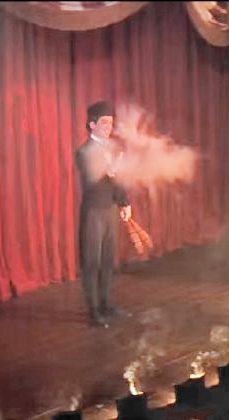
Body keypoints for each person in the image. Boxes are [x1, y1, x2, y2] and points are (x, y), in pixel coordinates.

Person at [75, 101, 132, 328]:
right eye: (105, 122)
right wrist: (109, 170)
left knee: (108, 261)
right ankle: (93, 311)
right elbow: (91, 181)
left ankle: (107, 304)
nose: (109, 127)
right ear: (92, 125)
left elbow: (118, 180)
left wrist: (124, 203)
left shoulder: (112, 150)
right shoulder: (83, 152)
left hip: (109, 211)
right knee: (92, 262)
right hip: (93, 213)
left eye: (111, 123)